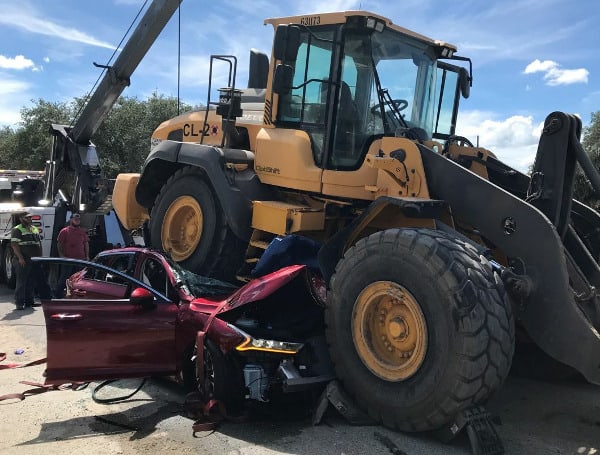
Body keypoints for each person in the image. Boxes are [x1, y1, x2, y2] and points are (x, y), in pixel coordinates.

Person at [11, 211, 52, 310]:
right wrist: (20, 258)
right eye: (27, 218)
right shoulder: (17, 229)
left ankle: (29, 301)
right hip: (23, 260)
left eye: (30, 217)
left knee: (31, 281)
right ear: (21, 219)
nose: (29, 219)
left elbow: (38, 243)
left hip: (34, 260)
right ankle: (19, 302)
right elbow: (14, 245)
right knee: (22, 282)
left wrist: (40, 257)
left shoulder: (34, 229)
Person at [54, 213, 90, 298]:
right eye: (75, 219)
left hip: (81, 260)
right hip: (68, 260)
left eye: (78, 220)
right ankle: (58, 296)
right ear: (71, 220)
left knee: (79, 279)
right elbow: (59, 244)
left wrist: (87, 256)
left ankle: (76, 296)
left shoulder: (82, 232)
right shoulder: (64, 231)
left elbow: (86, 244)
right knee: (64, 278)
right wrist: (61, 255)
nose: (77, 221)